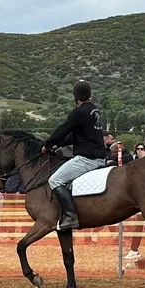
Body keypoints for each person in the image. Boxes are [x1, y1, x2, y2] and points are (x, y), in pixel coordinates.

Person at [44, 80, 106, 231]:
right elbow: (77, 135)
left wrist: (48, 144)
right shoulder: (94, 111)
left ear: (75, 96)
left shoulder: (78, 112)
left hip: (87, 159)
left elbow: (63, 130)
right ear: (90, 94)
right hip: (100, 157)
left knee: (55, 180)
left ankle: (71, 216)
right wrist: (60, 144)